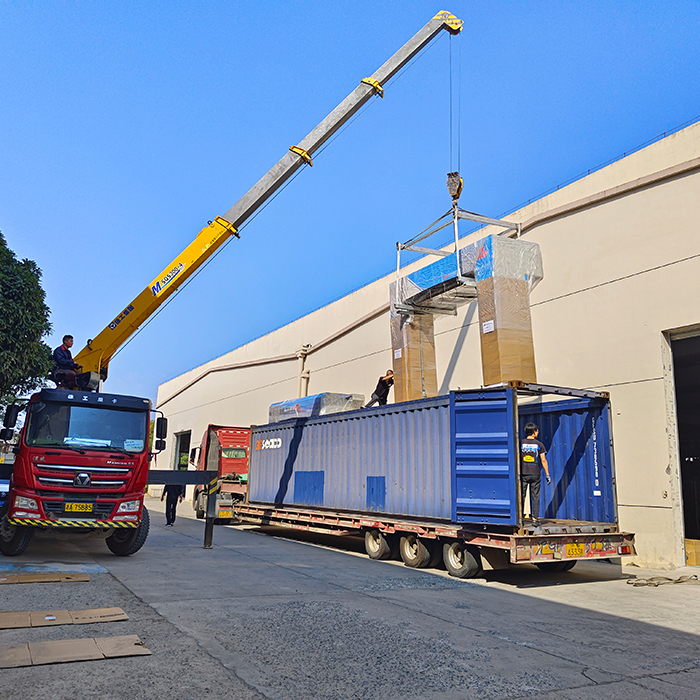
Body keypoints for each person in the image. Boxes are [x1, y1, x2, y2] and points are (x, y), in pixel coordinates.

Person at [520, 422, 551, 525]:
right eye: (537, 431)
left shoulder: (521, 443)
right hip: (535, 474)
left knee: (521, 496)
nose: (538, 432)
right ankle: (535, 519)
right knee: (535, 496)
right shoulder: (539, 444)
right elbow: (543, 460)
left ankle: (520, 518)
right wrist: (547, 474)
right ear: (534, 432)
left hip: (523, 473)